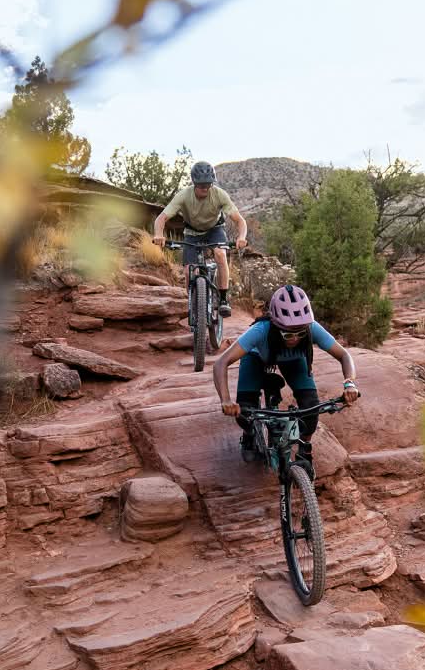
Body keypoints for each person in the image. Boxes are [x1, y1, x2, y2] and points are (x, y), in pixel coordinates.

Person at [212, 285, 360, 479]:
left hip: (294, 361)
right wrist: (225, 399)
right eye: (288, 334)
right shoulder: (260, 330)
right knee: (245, 411)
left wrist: (350, 383)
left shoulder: (311, 328)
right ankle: (249, 435)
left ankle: (304, 450)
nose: (295, 339)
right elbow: (221, 363)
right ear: (275, 324)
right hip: (257, 358)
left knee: (311, 407)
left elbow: (344, 355)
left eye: (301, 333)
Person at [153, 160, 248, 317]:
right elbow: (161, 218)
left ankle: (223, 299)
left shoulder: (219, 195)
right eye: (201, 184)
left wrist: (241, 237)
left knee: (220, 254)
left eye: (208, 184)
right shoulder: (183, 196)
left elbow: (240, 220)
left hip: (215, 229)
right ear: (194, 183)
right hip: (192, 233)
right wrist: (158, 234)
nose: (205, 187)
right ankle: (193, 303)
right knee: (189, 271)